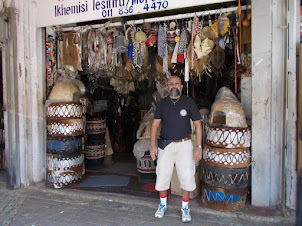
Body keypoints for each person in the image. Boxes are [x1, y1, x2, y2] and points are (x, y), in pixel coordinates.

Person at [150, 76, 202, 223]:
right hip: (165, 145)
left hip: (184, 145)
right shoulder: (162, 104)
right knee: (162, 175)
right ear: (167, 87)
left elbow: (198, 125)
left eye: (176, 83)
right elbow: (154, 125)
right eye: (171, 84)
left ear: (181, 86)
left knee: (186, 175)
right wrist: (152, 145)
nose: (174, 86)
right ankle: (163, 205)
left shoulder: (189, 102)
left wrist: (198, 147)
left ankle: (185, 207)